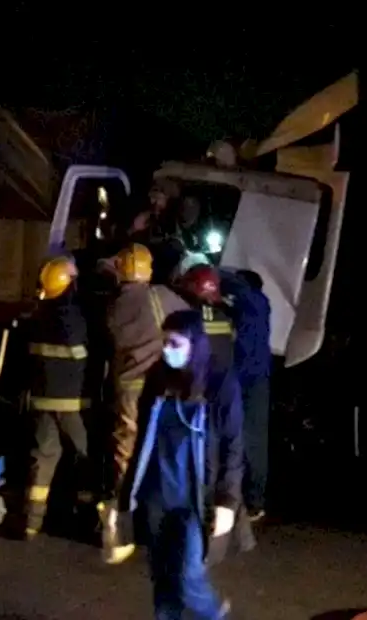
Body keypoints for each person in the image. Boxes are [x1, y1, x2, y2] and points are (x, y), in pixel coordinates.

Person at [128, 310, 240, 620]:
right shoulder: (158, 379)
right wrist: (124, 495)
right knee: (163, 579)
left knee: (189, 576)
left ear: (195, 343)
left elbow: (233, 446)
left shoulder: (219, 384)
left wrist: (227, 501)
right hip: (157, 496)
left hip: (194, 500)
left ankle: (216, 614)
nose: (167, 349)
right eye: (164, 342)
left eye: (175, 343)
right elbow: (142, 442)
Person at [101, 243, 190, 564]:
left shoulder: (115, 306)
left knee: (126, 452)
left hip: (128, 388)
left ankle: (124, 523)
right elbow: (191, 323)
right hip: (162, 387)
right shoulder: (162, 295)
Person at [174, 257, 254, 563]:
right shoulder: (226, 315)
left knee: (206, 467)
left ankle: (210, 549)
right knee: (233, 462)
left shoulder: (188, 318)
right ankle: (242, 536)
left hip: (204, 398)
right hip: (230, 394)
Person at [22, 256, 96, 538]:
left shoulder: (38, 315)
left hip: (42, 402)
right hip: (74, 405)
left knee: (43, 459)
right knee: (85, 458)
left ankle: (31, 523)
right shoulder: (78, 317)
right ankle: (87, 520)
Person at [221, 268, 272, 520]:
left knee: (251, 440)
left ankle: (253, 500)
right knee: (244, 439)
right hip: (250, 379)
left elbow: (237, 286)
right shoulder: (249, 309)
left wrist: (210, 266)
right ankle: (247, 498)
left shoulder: (256, 301)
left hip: (249, 381)